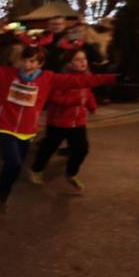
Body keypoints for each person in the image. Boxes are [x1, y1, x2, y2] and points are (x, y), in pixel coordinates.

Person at [0, 44, 115, 213]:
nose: (27, 65)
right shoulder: (7, 73)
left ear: (40, 63)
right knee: (13, 162)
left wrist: (112, 78)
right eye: (25, 60)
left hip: (27, 131)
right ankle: (2, 195)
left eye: (33, 61)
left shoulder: (48, 78)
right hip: (5, 126)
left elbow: (81, 81)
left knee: (15, 167)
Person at [28, 48, 101, 192]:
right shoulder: (60, 78)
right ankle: (36, 169)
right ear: (68, 63)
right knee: (49, 148)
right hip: (58, 121)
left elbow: (88, 93)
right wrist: (73, 100)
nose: (82, 62)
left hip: (78, 121)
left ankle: (71, 173)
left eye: (84, 59)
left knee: (82, 149)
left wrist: (92, 106)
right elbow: (52, 97)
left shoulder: (87, 76)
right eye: (78, 59)